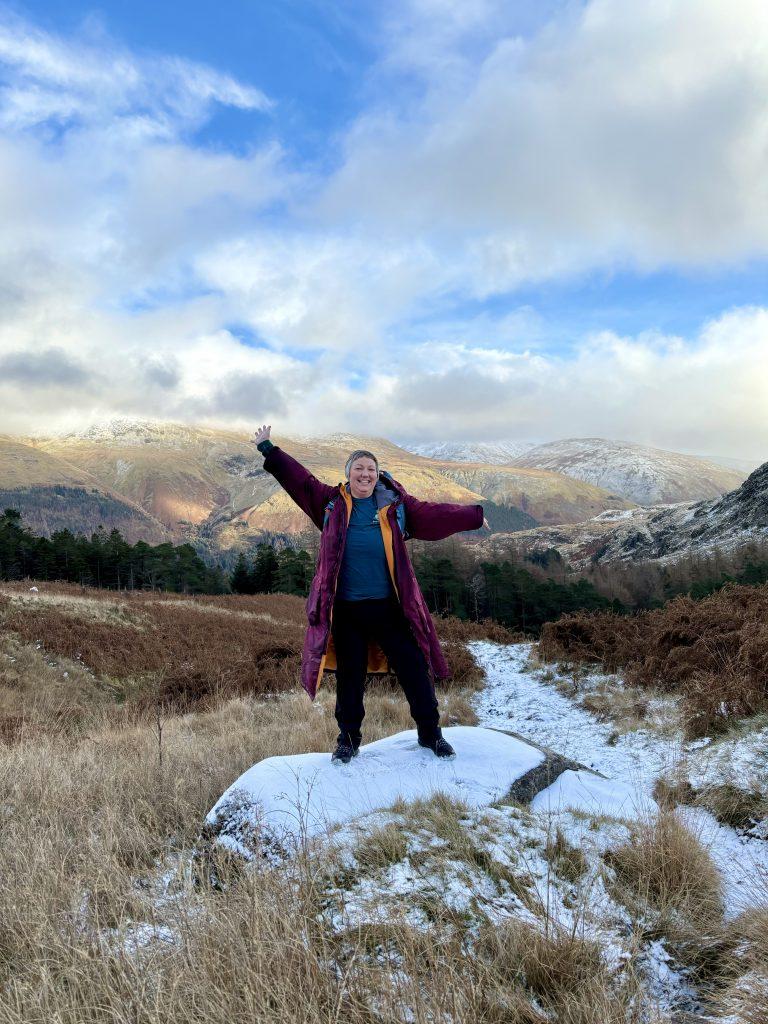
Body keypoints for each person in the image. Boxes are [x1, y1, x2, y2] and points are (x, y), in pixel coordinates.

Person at [252, 425, 488, 763]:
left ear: (378, 476)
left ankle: (431, 735)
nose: (365, 474)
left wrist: (475, 516)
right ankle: (347, 740)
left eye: (371, 469)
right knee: (350, 677)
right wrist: (268, 449)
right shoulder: (330, 503)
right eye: (359, 468)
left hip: (390, 607)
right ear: (348, 474)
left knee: (413, 668)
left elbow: (438, 514)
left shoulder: (397, 506)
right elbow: (298, 480)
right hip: (347, 611)